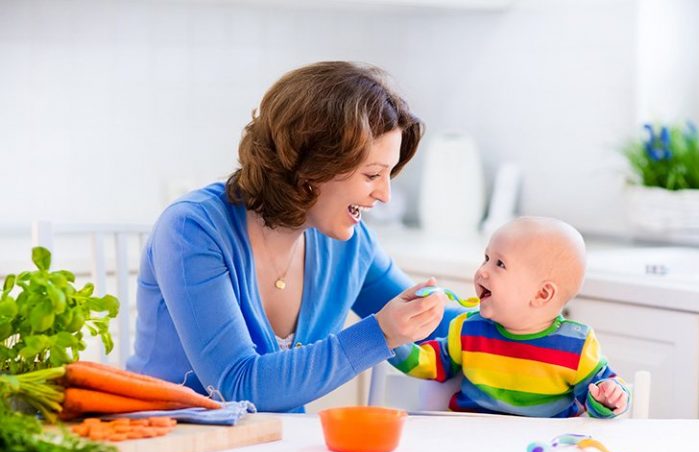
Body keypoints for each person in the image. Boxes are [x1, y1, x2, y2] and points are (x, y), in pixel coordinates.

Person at [126, 61, 452, 412]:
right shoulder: (193, 230)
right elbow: (237, 385)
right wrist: (380, 334)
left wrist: (506, 304)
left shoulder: (351, 245)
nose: (384, 195)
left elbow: (440, 327)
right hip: (169, 443)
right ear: (312, 166)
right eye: (372, 174)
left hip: (274, 448)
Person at [389, 217, 631, 418]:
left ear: (541, 294)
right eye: (486, 258)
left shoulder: (576, 345)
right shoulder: (468, 329)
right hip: (470, 442)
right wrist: (391, 339)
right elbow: (430, 363)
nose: (482, 270)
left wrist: (608, 397)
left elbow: (599, 392)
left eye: (500, 264)